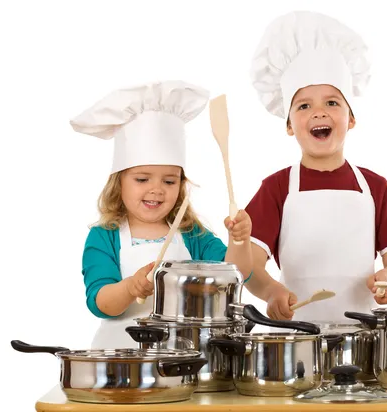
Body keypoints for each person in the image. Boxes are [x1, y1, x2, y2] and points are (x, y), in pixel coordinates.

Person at [243, 11, 387, 323]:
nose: (318, 112)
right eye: (304, 105)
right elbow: (251, 263)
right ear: (289, 125)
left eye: (332, 102)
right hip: (295, 339)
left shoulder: (375, 187)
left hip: (362, 338)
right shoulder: (276, 188)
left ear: (351, 119)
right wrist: (270, 291)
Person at [70, 81, 253, 349]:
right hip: (122, 359)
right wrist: (130, 288)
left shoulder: (192, 233)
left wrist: (240, 240)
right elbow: (100, 303)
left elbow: (236, 274)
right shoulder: (104, 236)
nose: (157, 189)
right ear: (119, 182)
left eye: (169, 181)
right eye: (142, 179)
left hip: (185, 358)